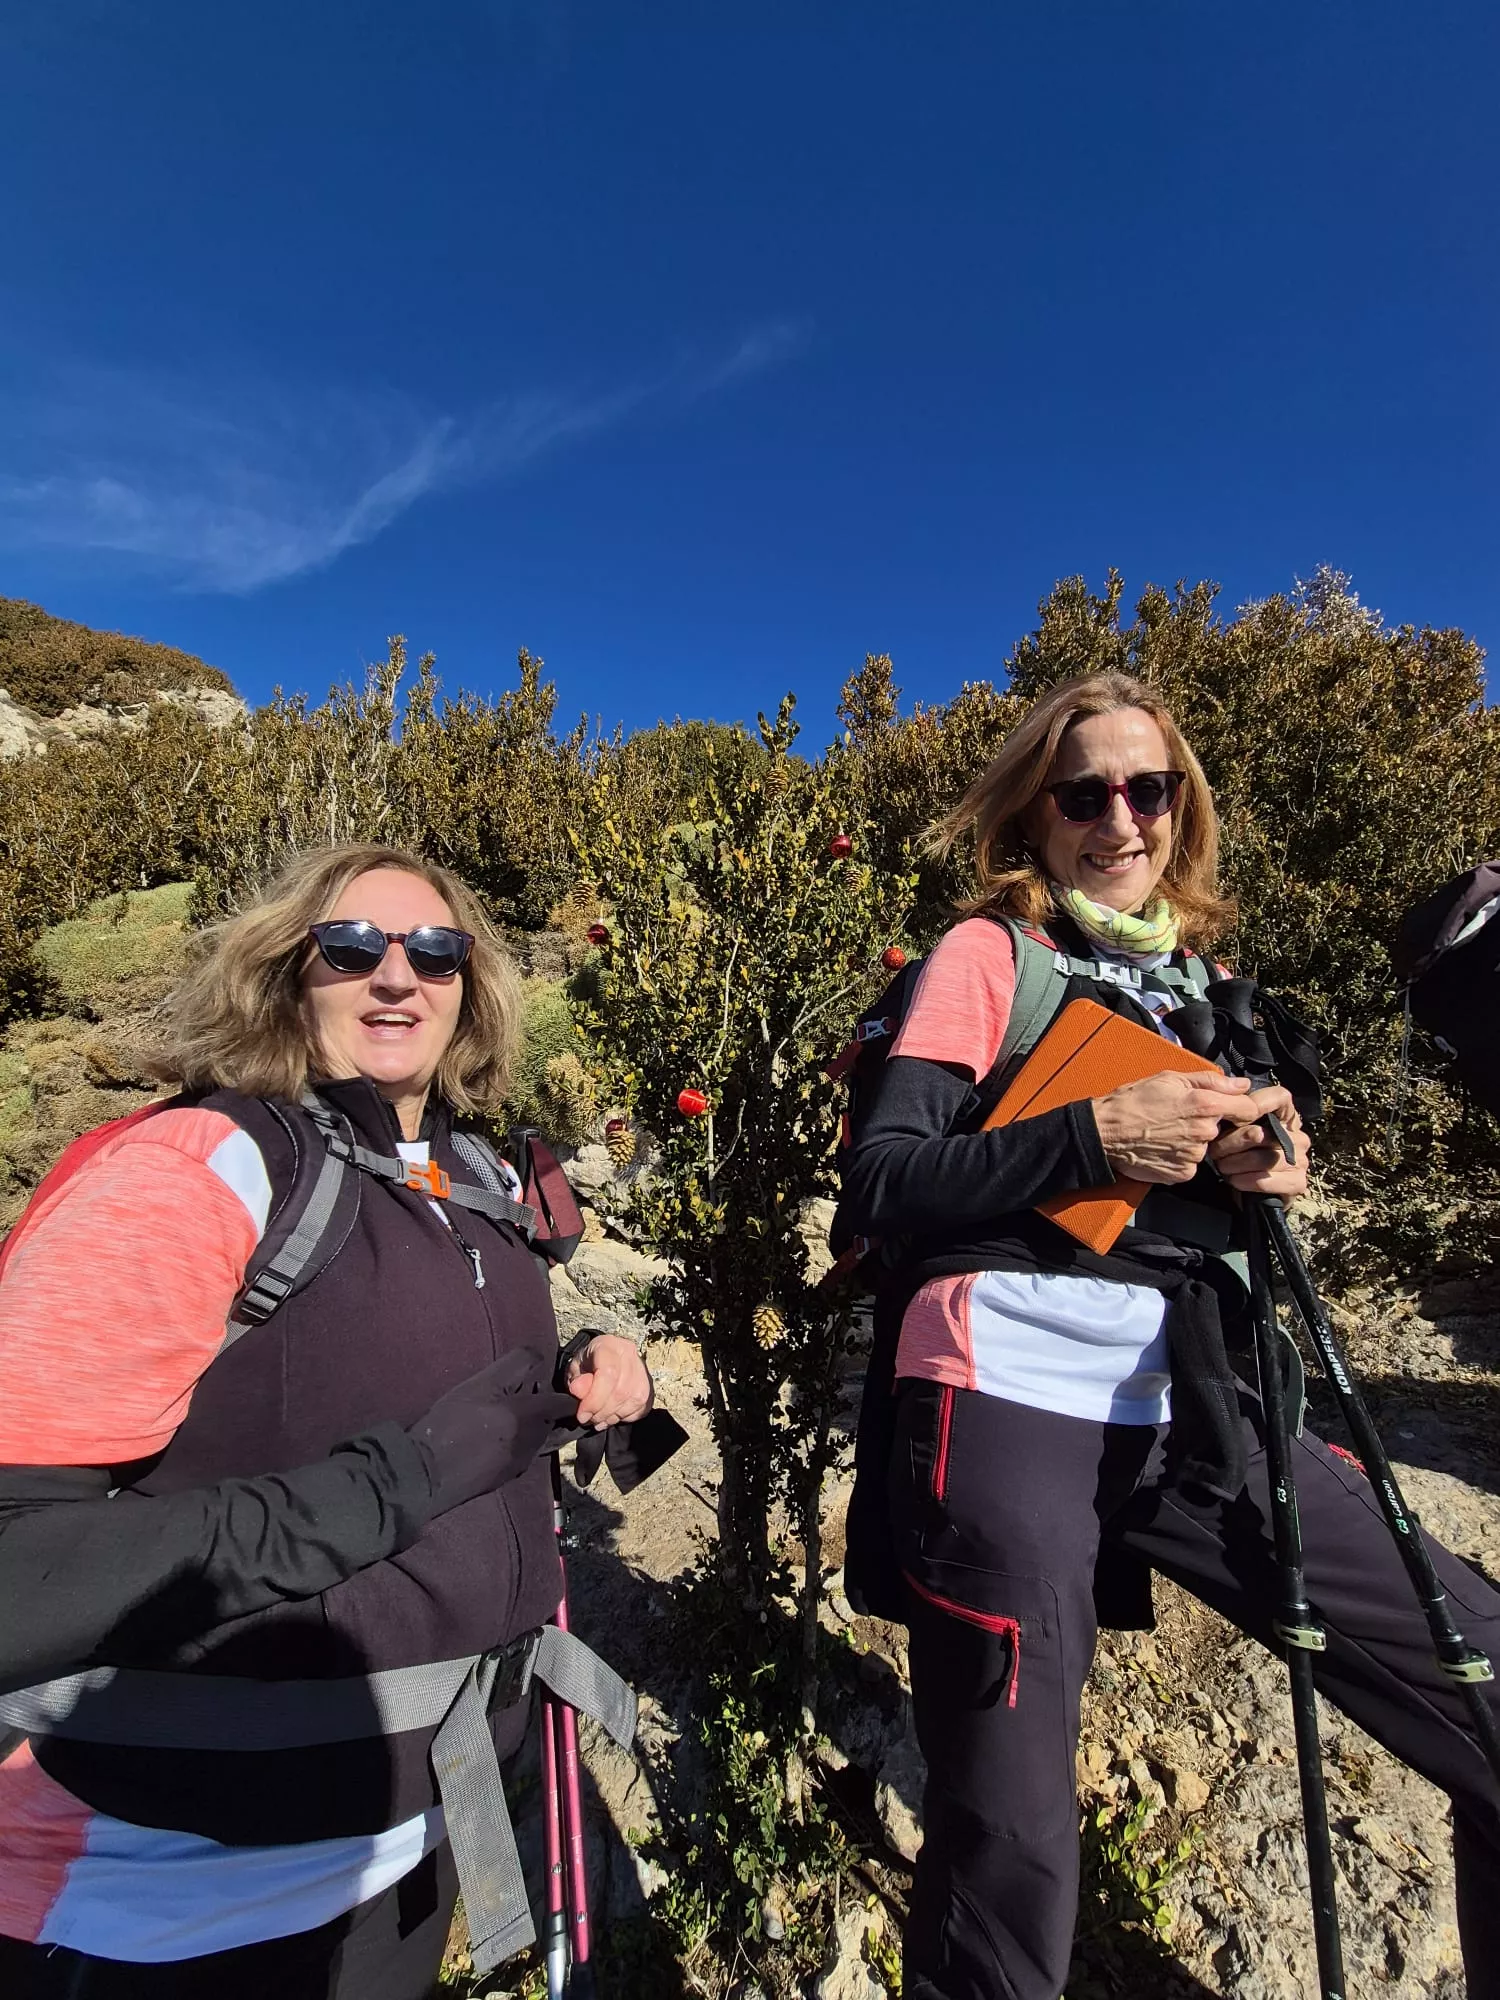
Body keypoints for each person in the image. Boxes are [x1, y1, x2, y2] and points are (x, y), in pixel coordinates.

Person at [837, 674, 1500, 2000]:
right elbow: (882, 1183)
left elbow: (1215, 1200)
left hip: (1202, 1399)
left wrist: (1262, 1166)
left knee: (1484, 1693)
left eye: (1151, 789)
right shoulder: (990, 957)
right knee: (1012, 1850)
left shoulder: (1210, 985)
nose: (1120, 818)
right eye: (1084, 792)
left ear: (1182, 811)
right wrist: (1096, 1135)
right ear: (1036, 815)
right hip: (1003, 1385)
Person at [0, 843, 653, 1999]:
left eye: (436, 951)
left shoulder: (467, 1180)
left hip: (398, 1853)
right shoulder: (201, 1169)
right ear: (284, 970)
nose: (398, 975)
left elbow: (363, 1373)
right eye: (352, 946)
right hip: (159, 1903)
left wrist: (573, 1372)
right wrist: (394, 1481)